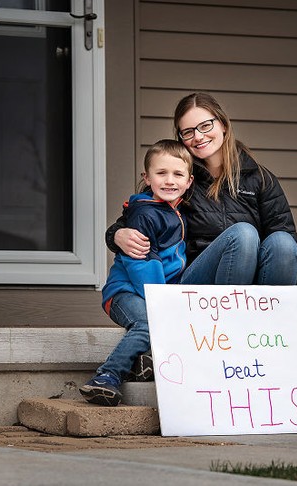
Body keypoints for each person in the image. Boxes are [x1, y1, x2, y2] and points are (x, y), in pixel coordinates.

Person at [106, 91, 297, 286]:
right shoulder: (180, 178)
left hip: (253, 287)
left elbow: (289, 247)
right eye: (188, 132)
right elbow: (142, 214)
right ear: (181, 138)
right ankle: (226, 315)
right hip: (199, 282)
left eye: (206, 125)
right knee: (244, 233)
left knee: (283, 243)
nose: (198, 137)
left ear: (223, 125)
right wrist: (115, 235)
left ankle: (278, 313)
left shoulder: (259, 178)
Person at [80, 140, 193, 406]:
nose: (169, 180)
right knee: (147, 323)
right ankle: (106, 376)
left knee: (163, 324)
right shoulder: (143, 213)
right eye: (161, 173)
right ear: (146, 177)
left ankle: (143, 363)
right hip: (125, 292)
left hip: (153, 292)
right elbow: (142, 263)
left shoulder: (174, 211)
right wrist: (160, 301)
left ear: (189, 181)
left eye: (177, 174)